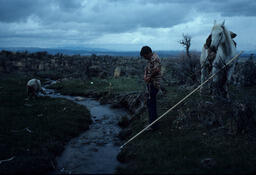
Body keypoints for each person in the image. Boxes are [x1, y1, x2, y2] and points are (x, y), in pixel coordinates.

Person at [140, 46, 162, 131]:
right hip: (150, 84)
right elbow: (147, 68)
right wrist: (145, 75)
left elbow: (156, 70)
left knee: (151, 104)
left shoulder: (155, 58)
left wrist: (149, 77)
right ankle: (152, 122)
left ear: (148, 53)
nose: (145, 58)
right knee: (150, 104)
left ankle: (153, 125)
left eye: (145, 56)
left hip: (154, 84)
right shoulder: (150, 59)